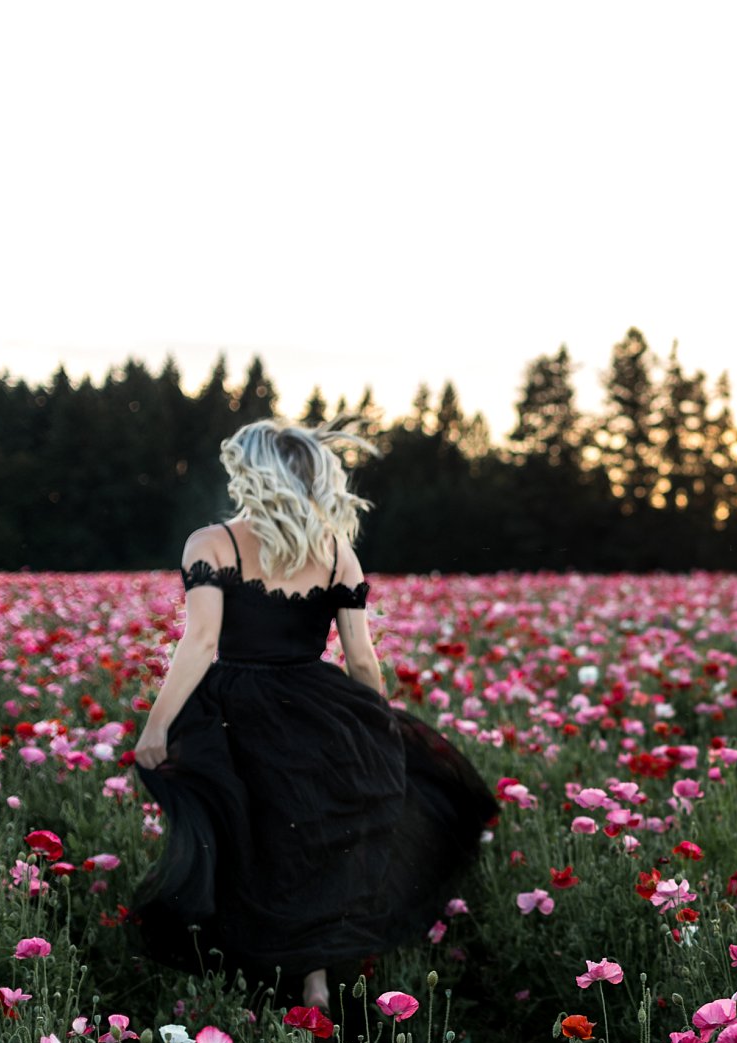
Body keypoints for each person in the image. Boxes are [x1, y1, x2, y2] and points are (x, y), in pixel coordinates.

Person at [131, 420, 494, 1008]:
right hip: (320, 708)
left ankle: (266, 969)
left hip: (233, 708)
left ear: (251, 473)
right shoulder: (335, 551)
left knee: (252, 837)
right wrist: (377, 728)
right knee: (310, 837)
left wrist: (157, 725)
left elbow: (199, 643)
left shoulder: (212, 542)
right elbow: (362, 660)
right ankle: (317, 972)